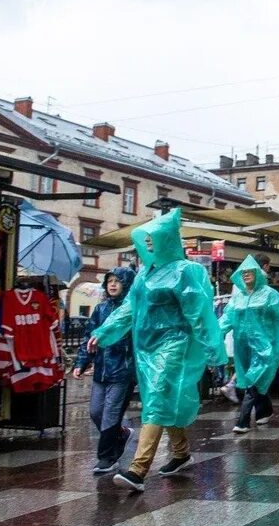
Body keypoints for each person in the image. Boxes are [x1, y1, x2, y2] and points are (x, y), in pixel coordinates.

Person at [88, 208, 225, 493]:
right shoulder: (144, 275)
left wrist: (213, 350)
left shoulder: (188, 271)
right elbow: (128, 309)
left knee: (159, 396)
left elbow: (199, 313)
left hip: (176, 343)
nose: (149, 243)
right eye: (146, 239)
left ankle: (138, 470)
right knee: (162, 398)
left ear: (168, 239)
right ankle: (180, 452)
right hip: (147, 348)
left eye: (155, 238)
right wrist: (102, 332)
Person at [219, 256, 279, 434]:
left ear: (257, 273)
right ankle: (266, 410)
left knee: (253, 379)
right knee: (253, 380)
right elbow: (226, 318)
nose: (246, 275)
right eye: (243, 272)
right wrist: (214, 334)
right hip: (243, 348)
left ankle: (244, 420)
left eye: (250, 272)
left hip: (265, 346)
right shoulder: (237, 297)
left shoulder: (270, 294)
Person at [74, 267, 136, 474]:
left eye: (118, 281)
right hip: (101, 369)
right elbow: (88, 337)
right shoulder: (100, 309)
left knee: (111, 413)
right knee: (95, 412)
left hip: (123, 370)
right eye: (109, 280)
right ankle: (122, 433)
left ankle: (107, 458)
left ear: (127, 284)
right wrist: (81, 362)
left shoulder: (133, 309)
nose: (112, 284)